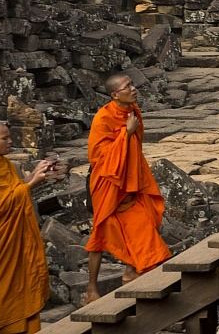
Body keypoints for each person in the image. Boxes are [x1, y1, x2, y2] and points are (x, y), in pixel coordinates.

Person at [84, 74, 171, 303]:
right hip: (109, 182)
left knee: (146, 228)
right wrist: (126, 133)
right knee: (100, 233)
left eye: (132, 84)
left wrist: (129, 134)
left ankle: (131, 272)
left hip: (131, 180)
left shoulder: (132, 110)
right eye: (127, 87)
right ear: (115, 95)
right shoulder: (103, 118)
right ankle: (91, 288)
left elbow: (135, 145)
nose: (133, 89)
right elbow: (98, 158)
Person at [0, 121, 52, 334]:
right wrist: (31, 184)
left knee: (23, 286)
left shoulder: (4, 164)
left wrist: (34, 174)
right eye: (5, 138)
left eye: (10, 137)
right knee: (2, 289)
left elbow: (13, 192)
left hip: (12, 236)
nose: (11, 142)